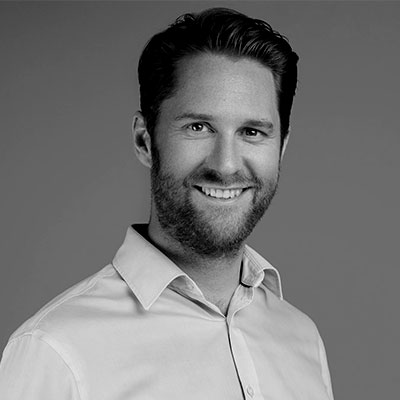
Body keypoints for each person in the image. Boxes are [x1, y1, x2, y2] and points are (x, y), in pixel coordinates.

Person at [0, 7, 334, 400]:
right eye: (198, 127)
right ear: (145, 141)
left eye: (252, 132)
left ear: (281, 148)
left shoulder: (302, 339)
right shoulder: (56, 352)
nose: (226, 165)